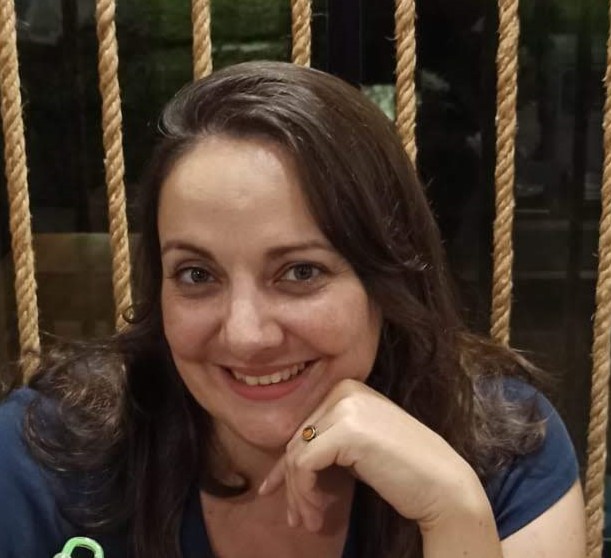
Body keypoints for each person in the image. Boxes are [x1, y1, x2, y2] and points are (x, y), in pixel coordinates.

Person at [0, 61, 585, 558]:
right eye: (197, 274)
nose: (246, 334)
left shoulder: (501, 448)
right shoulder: (47, 458)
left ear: (387, 278)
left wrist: (454, 514)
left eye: (300, 272)